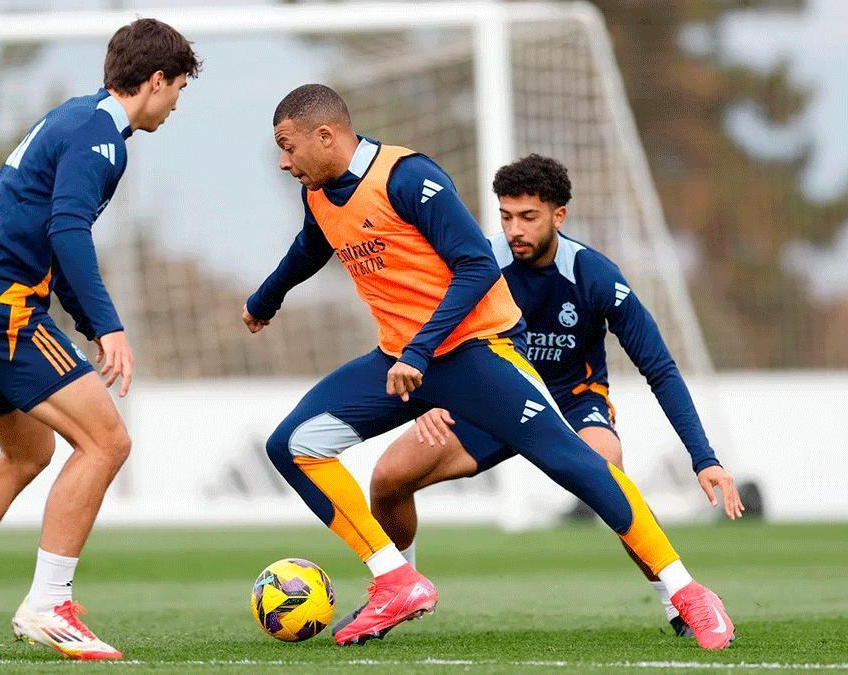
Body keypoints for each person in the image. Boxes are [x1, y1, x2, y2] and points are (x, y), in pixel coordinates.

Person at [243, 84, 736, 649]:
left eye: (287, 147)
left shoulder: (407, 177)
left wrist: (419, 352)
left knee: (583, 464)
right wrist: (265, 299)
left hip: (477, 352)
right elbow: (311, 248)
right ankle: (395, 581)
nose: (283, 162)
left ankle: (686, 593)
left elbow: (476, 266)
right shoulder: (318, 195)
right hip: (403, 360)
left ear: (325, 135)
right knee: (294, 445)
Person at [0, 18, 200, 660]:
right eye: (179, 89)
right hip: (0, 308)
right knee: (107, 440)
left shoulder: (74, 117)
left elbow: (54, 238)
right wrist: (111, 325)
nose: (177, 104)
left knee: (26, 453)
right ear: (156, 80)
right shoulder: (102, 138)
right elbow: (68, 232)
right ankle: (48, 605)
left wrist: (90, 324)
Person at [361, 154, 744, 638]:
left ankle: (677, 601)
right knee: (388, 479)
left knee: (608, 470)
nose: (514, 230)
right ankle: (400, 592)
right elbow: (426, 334)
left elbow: (660, 369)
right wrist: (431, 398)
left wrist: (703, 458)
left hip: (571, 406)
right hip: (489, 401)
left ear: (558, 215)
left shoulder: (595, 276)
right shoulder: (478, 265)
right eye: (506, 216)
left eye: (528, 217)